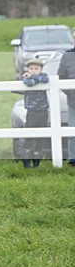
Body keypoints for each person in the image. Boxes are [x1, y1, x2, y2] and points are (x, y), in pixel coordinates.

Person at [20, 58, 49, 168]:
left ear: (41, 69)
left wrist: (34, 77)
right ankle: (27, 158)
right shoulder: (26, 78)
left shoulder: (44, 76)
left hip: (43, 110)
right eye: (31, 69)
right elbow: (29, 83)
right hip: (31, 110)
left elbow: (45, 79)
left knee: (41, 135)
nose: (33, 71)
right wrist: (30, 78)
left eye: (36, 68)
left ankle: (37, 160)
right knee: (30, 134)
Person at [55, 27, 75, 167]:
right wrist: (72, 94)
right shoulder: (67, 56)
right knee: (72, 130)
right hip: (73, 101)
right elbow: (61, 77)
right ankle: (73, 159)